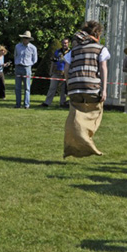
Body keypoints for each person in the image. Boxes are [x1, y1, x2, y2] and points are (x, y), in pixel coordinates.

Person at [63, 21, 110, 158]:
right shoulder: (101, 49)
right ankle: (87, 144)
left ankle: (72, 146)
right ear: (97, 34)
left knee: (75, 115)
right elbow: (103, 68)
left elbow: (66, 68)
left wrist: (69, 84)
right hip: (91, 86)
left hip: (74, 87)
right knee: (95, 113)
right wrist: (104, 89)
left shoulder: (73, 51)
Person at [41, 38, 71, 107]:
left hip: (65, 73)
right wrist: (51, 71)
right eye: (63, 43)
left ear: (68, 43)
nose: (64, 44)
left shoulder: (70, 52)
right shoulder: (57, 51)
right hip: (56, 72)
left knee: (63, 90)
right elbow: (53, 61)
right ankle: (47, 102)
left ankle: (62, 103)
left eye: (66, 43)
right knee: (52, 88)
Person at [14, 31, 38, 109]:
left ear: (29, 39)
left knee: (27, 87)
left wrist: (29, 64)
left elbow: (35, 59)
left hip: (27, 68)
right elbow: (15, 56)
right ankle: (18, 104)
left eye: (27, 38)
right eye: (24, 38)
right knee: (18, 87)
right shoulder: (17, 46)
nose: (25, 39)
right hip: (18, 67)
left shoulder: (33, 48)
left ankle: (26, 104)